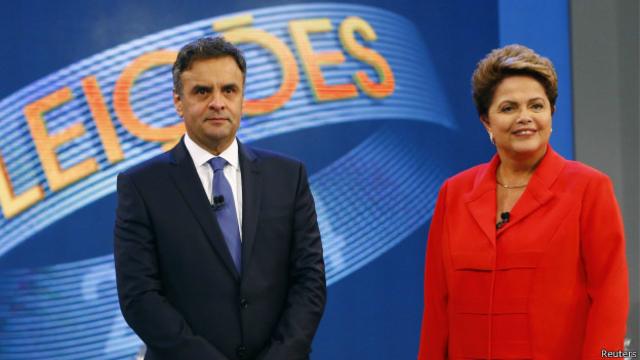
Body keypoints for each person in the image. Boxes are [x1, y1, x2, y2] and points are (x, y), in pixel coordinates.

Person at [114, 37, 326, 360]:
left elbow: (309, 281)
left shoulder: (288, 177)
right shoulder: (142, 186)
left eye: (229, 90)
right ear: (178, 101)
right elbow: (139, 297)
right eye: (202, 91)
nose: (218, 102)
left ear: (242, 99)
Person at [418, 44, 629, 359]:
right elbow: (437, 307)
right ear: (486, 122)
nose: (525, 118)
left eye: (536, 106)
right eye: (508, 108)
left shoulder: (589, 188)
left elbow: (610, 302)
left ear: (551, 114)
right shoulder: (454, 194)